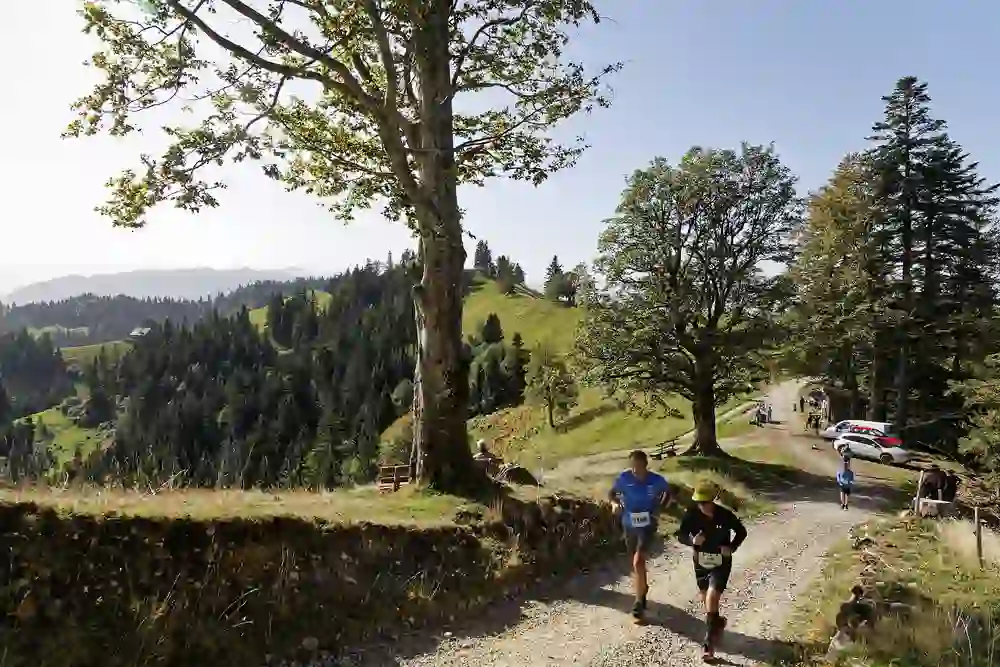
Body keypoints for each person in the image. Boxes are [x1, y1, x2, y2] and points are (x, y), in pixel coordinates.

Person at [676, 481, 748, 660]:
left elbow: (741, 532)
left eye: (706, 502)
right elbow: (681, 535)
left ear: (713, 500)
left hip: (720, 562)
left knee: (712, 596)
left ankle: (709, 645)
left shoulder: (725, 515)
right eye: (699, 503)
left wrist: (731, 547)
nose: (703, 506)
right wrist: (692, 541)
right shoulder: (691, 515)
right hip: (700, 562)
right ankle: (717, 622)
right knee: (707, 601)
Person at [609, 450, 672, 622]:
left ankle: (639, 602)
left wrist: (659, 510)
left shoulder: (656, 480)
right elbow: (612, 493)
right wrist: (615, 504)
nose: (636, 471)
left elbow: (668, 493)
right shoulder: (624, 479)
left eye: (639, 467)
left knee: (638, 561)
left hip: (648, 525)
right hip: (629, 525)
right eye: (633, 467)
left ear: (646, 465)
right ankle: (642, 588)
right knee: (635, 563)